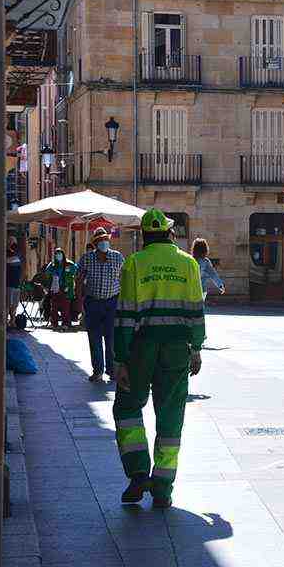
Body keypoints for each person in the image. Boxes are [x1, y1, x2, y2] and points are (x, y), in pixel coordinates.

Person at [112, 208, 205, 508]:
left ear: (143, 235)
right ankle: (163, 487)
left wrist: (120, 358)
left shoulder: (134, 264)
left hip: (140, 348)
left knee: (127, 408)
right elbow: (196, 311)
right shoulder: (188, 263)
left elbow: (125, 314)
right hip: (177, 348)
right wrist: (197, 347)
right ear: (169, 232)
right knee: (171, 416)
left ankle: (138, 471)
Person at [78, 227, 125, 382]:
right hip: (93, 302)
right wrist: (79, 300)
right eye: (100, 240)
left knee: (111, 338)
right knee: (94, 337)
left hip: (112, 302)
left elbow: (124, 279)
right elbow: (79, 279)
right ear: (96, 243)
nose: (104, 242)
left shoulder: (118, 257)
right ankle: (98, 370)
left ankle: (112, 370)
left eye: (106, 240)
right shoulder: (86, 258)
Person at [44, 247, 78, 330]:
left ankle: (66, 323)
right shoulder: (53, 265)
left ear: (63, 254)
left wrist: (71, 285)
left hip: (65, 288)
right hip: (55, 288)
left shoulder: (69, 264)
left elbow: (76, 272)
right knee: (54, 307)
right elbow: (47, 272)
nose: (58, 255)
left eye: (60, 253)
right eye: (56, 254)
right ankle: (54, 323)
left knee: (65, 308)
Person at [6, 237, 23, 328]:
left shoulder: (18, 253)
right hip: (8, 283)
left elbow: (20, 261)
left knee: (15, 304)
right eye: (11, 242)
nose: (13, 244)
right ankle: (5, 322)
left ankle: (12, 321)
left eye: (14, 242)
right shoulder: (5, 253)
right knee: (8, 303)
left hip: (16, 283)